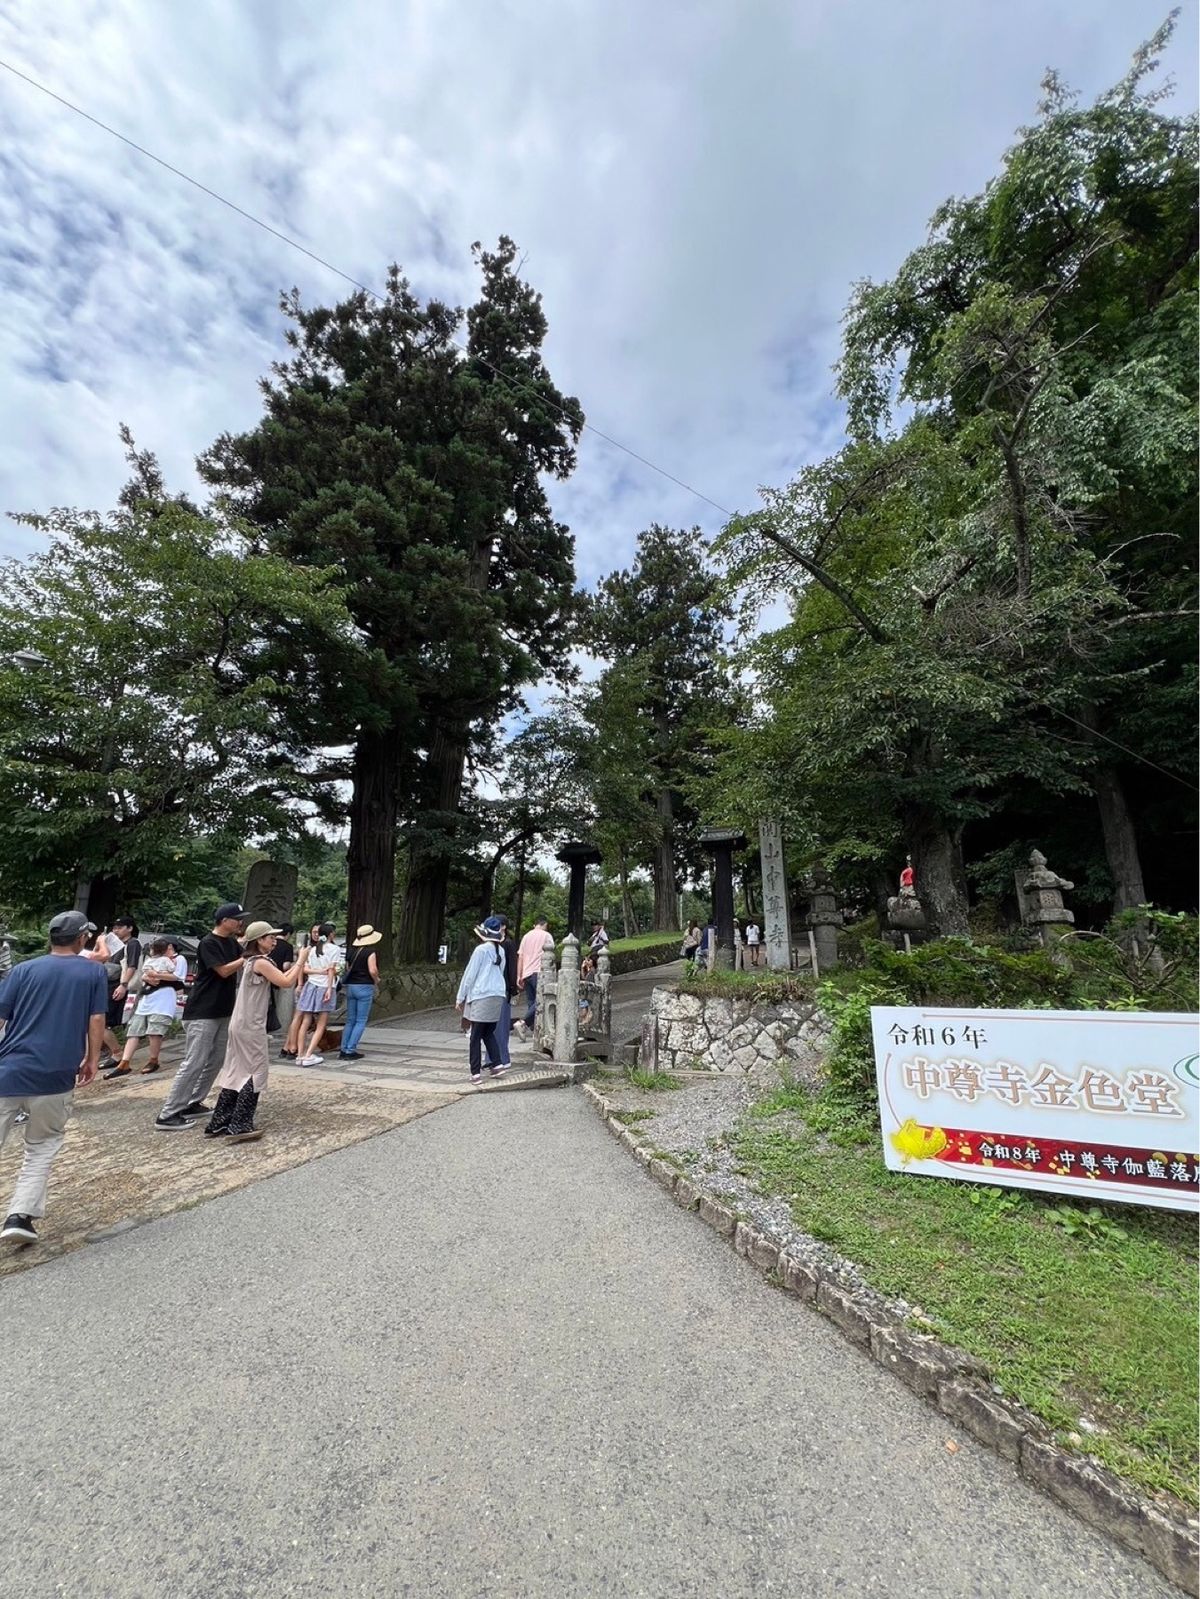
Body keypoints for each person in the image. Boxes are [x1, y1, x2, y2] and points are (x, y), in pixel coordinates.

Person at [0, 910, 107, 1244]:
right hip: (57, 1072)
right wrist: (91, 1058)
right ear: (82, 938)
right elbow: (96, 1019)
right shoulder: (93, 971)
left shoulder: (22, 970)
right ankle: (19, 1216)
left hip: (10, 1069)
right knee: (42, 1146)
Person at [204, 923, 305, 1143]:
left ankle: (220, 1119)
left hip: (240, 1022)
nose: (274, 941)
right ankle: (240, 1123)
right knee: (255, 1070)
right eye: (270, 938)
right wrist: (301, 960)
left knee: (236, 1069)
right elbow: (286, 982)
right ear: (259, 940)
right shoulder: (261, 961)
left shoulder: (249, 961)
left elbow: (279, 978)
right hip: (251, 1025)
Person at [155, 902, 246, 1131]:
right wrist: (247, 958)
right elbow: (224, 970)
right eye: (237, 918)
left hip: (224, 1009)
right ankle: (168, 1113)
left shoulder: (233, 942)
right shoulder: (208, 943)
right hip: (202, 1011)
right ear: (224, 920)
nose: (240, 922)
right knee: (194, 1061)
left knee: (216, 1060)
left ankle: (193, 1101)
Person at [103, 937, 187, 1078]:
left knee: (155, 1031)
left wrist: (156, 975)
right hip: (147, 997)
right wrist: (150, 977)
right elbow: (144, 975)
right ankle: (124, 1062)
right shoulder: (153, 959)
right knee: (134, 1030)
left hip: (164, 999)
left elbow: (177, 977)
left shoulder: (179, 959)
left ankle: (153, 1060)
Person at [455, 916, 508, 1084]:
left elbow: (470, 975)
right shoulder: (501, 950)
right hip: (497, 994)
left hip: (482, 995)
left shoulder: (481, 950)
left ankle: (475, 1073)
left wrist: (460, 997)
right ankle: (497, 1064)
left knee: (475, 1036)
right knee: (488, 1032)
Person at [294, 924, 343, 1067]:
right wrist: (329, 988)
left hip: (311, 986)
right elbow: (332, 970)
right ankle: (308, 1054)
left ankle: (300, 1054)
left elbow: (306, 969)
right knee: (321, 1023)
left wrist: (318, 971)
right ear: (331, 934)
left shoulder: (313, 949)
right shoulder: (334, 949)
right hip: (324, 987)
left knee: (306, 1021)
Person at [96, 916, 142, 1068]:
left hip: (117, 984)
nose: (116, 930)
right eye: (114, 927)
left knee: (103, 1022)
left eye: (120, 927)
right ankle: (105, 1053)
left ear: (129, 928)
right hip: (107, 983)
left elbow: (132, 965)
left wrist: (123, 985)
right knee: (99, 1021)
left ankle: (116, 1053)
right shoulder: (115, 944)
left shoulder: (133, 943)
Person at [338, 924, 381, 1062]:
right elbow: (372, 970)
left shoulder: (351, 951)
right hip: (364, 986)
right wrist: (376, 979)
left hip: (351, 986)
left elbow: (347, 968)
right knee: (361, 1020)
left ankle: (343, 1049)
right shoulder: (370, 952)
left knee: (350, 1020)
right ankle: (351, 1049)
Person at [515, 916, 552, 1039]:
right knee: (541, 1001)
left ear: (534, 925)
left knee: (531, 1003)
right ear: (545, 924)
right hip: (539, 972)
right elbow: (551, 954)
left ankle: (535, 1030)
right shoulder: (546, 936)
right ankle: (523, 1023)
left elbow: (520, 957)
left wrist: (519, 975)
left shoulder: (526, 936)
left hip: (527, 973)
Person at [493, 915, 519, 1069]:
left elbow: (512, 968)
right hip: (493, 988)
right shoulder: (492, 943)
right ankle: (494, 1057)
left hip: (504, 988)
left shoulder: (508, 944)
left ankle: (503, 1058)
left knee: (501, 1026)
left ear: (503, 927)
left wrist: (513, 988)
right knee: (492, 1026)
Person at [270, 922, 297, 1039]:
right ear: (289, 934)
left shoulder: (269, 943)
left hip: (264, 978)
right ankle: (275, 1028)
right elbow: (286, 966)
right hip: (278, 978)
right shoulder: (287, 946)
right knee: (275, 1005)